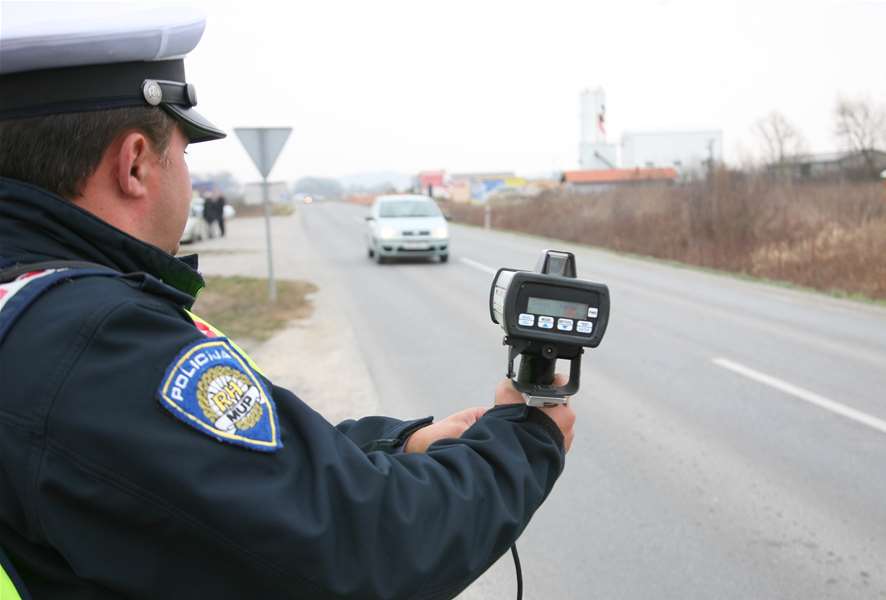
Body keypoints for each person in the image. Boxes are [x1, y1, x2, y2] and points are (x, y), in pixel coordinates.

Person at [0, 4, 575, 599]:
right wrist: (525, 442)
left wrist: (396, 445)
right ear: (137, 164)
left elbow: (215, 474)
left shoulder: (28, 313)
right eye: (186, 153)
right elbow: (362, 548)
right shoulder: (92, 341)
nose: (189, 178)